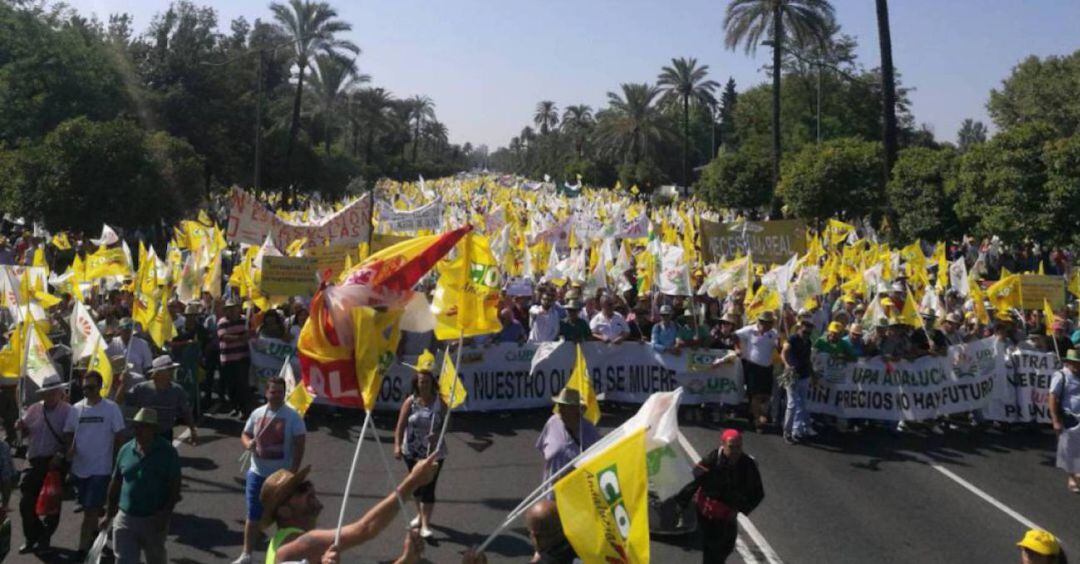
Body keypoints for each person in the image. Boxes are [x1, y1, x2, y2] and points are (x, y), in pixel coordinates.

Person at [259, 456, 440, 564]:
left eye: (306, 483)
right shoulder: (306, 543)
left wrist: (405, 561)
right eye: (300, 489)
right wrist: (413, 481)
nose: (309, 488)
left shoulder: (277, 545)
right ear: (284, 511)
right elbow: (366, 529)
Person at [234, 376, 307, 564]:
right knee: (253, 515)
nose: (276, 396)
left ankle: (290, 556)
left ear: (285, 393)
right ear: (266, 393)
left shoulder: (293, 417)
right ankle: (246, 554)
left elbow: (300, 444)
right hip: (257, 474)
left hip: (280, 478)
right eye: (272, 392)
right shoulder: (257, 413)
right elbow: (245, 433)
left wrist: (293, 472)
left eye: (280, 392)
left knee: (285, 518)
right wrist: (247, 443)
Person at [102, 408, 181, 564]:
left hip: (153, 519)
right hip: (125, 518)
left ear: (153, 429)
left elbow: (175, 486)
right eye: (136, 426)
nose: (138, 430)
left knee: (155, 559)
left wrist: (165, 514)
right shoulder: (125, 450)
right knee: (124, 560)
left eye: (143, 426)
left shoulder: (167, 452)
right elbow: (116, 482)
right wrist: (108, 513)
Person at [63, 370, 126, 559]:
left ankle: (83, 549)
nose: (86, 391)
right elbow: (68, 432)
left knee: (89, 511)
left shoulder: (111, 408)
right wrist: (69, 447)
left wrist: (119, 461)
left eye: (90, 387)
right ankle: (95, 532)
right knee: (89, 507)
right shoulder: (76, 409)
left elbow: (120, 435)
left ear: (100, 387)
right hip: (80, 469)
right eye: (84, 388)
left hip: (101, 469)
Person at [676, 429, 764, 564]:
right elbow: (693, 481)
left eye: (739, 447)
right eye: (731, 447)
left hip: (728, 514)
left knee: (727, 547)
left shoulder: (747, 464)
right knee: (712, 549)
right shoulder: (711, 460)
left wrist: (740, 508)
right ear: (723, 445)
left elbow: (757, 493)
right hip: (708, 514)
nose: (735, 451)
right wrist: (681, 504)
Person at [393, 352, 447, 540]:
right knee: (415, 486)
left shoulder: (441, 403)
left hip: (434, 453)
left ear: (433, 382)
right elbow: (400, 425)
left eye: (427, 381)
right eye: (421, 381)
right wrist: (397, 446)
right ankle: (419, 514)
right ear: (417, 382)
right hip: (412, 451)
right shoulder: (411, 402)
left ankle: (425, 525)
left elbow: (448, 423)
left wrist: (438, 434)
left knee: (429, 487)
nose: (424, 385)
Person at [16, 374, 71, 554]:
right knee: (25, 502)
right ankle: (33, 536)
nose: (51, 395)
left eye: (54, 391)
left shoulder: (68, 411)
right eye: (47, 392)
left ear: (60, 392)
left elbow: (71, 438)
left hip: (54, 462)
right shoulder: (33, 409)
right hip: (33, 460)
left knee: (51, 503)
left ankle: (45, 538)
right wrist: (21, 428)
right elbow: (24, 434)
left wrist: (60, 455)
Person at [125, 354, 198, 443]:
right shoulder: (141, 389)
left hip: (165, 434)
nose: (172, 372)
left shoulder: (177, 390)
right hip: (144, 434)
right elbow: (124, 403)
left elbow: (186, 411)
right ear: (158, 373)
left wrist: (192, 429)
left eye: (173, 369)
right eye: (169, 370)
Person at [536, 388, 599, 484]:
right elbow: (543, 449)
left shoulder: (589, 431)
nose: (560, 409)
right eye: (559, 405)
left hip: (575, 492)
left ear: (575, 409)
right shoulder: (552, 423)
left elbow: (598, 462)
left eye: (564, 406)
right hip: (550, 492)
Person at [735, 311, 780, 431]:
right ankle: (757, 421)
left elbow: (779, 348)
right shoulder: (750, 330)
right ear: (760, 322)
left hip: (767, 368)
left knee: (765, 396)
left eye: (771, 323)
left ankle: (755, 415)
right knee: (755, 395)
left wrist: (780, 343)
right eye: (766, 323)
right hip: (753, 367)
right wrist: (738, 348)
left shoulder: (774, 333)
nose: (768, 326)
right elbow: (735, 335)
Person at [1049, 349, 1080, 493]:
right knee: (1069, 450)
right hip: (1068, 417)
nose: (1076, 365)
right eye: (1074, 363)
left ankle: (1074, 476)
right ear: (1068, 362)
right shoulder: (1061, 376)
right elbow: (1052, 398)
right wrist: (1055, 420)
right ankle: (1073, 477)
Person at [782, 319, 816, 444]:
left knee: (802, 404)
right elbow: (783, 352)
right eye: (805, 331)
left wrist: (813, 375)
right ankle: (787, 432)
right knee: (792, 404)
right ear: (799, 328)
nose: (806, 334)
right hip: (792, 375)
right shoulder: (792, 339)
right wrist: (786, 364)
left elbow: (808, 360)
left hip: (804, 375)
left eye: (809, 332)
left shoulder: (808, 342)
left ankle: (797, 430)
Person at [218, 297, 252, 417]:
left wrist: (246, 335)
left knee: (242, 384)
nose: (231, 311)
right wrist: (241, 337)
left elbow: (251, 334)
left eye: (234, 308)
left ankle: (244, 409)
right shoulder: (222, 322)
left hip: (242, 357)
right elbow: (224, 337)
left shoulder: (245, 321)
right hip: (228, 359)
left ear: (238, 309)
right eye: (229, 309)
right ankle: (235, 406)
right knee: (231, 385)